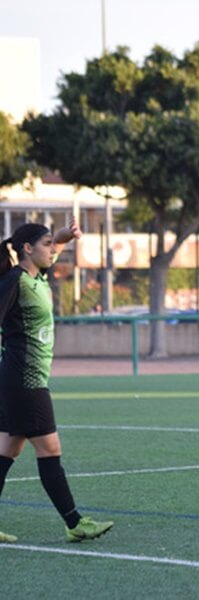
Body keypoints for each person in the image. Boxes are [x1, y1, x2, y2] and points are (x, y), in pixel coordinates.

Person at [0, 221, 114, 544]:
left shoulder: (36, 278)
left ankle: (73, 522)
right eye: (46, 244)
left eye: (52, 245)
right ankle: (75, 522)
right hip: (25, 379)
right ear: (27, 249)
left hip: (19, 379)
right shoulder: (15, 282)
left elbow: (57, 247)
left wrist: (64, 234)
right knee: (50, 449)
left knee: (7, 450)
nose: (52, 250)